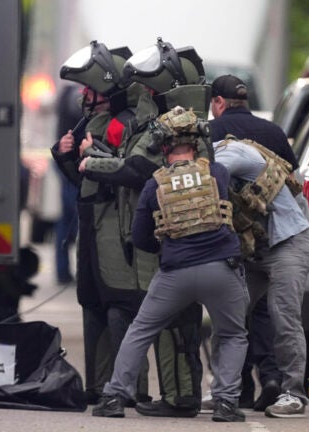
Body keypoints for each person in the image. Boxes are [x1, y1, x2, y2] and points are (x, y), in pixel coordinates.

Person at [92, 106, 249, 423]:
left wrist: (165, 247)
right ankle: (225, 404)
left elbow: (141, 236)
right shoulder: (217, 173)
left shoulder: (155, 183)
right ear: (196, 143)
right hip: (221, 268)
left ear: (162, 147)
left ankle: (114, 397)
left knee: (140, 330)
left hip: (175, 271)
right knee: (232, 334)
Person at [80, 38, 211, 418]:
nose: (142, 93)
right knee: (169, 318)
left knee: (169, 319)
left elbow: (138, 169)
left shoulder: (172, 126)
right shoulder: (186, 124)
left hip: (172, 238)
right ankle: (178, 395)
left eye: (148, 87)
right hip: (181, 236)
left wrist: (92, 160)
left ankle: (178, 397)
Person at [51, 41, 149, 405]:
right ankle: (98, 386)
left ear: (107, 93)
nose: (84, 96)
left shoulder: (128, 124)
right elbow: (86, 183)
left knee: (120, 305)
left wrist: (90, 155)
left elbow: (130, 173)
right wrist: (66, 159)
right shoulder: (94, 124)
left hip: (117, 230)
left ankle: (129, 388)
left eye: (90, 90)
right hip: (93, 227)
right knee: (91, 302)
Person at [207, 74, 300, 411]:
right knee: (269, 314)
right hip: (275, 235)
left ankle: (237, 387)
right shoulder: (272, 131)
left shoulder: (213, 134)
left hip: (237, 240)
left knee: (231, 315)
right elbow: (293, 178)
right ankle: (272, 378)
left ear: (218, 102)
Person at [212, 131, 309, 418]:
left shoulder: (232, 152)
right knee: (228, 313)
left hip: (289, 243)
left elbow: (215, 175)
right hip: (255, 250)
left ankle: (293, 393)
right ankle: (222, 390)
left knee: (283, 315)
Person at [53, 84, 82, 284]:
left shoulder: (68, 92)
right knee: (78, 219)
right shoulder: (75, 94)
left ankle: (63, 271)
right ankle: (67, 271)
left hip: (67, 161)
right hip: (72, 162)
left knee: (66, 221)